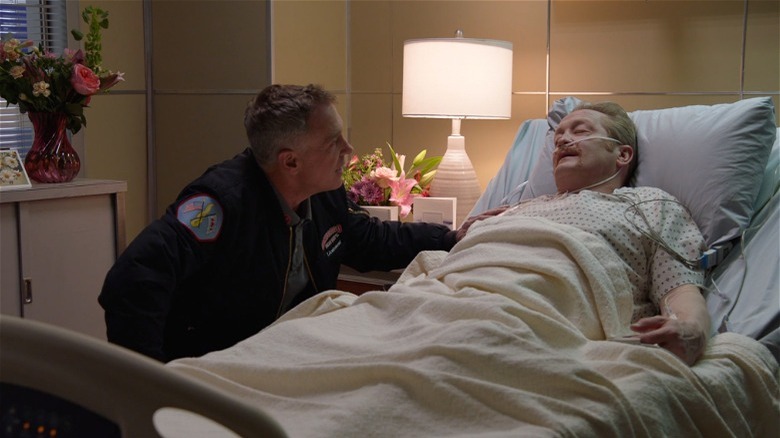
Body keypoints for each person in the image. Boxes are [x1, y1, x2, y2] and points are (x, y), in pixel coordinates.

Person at [99, 84, 457, 362]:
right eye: (333, 142)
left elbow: (366, 239)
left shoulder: (323, 193)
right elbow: (133, 279)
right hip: (220, 365)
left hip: (288, 352)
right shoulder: (219, 202)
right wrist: (150, 383)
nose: (348, 150)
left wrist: (451, 238)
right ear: (290, 162)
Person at [459, 101, 710, 365]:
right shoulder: (516, 208)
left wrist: (691, 329)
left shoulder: (649, 206)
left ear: (622, 155)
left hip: (540, 316)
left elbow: (678, 289)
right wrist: (469, 234)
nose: (562, 140)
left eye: (580, 131)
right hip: (464, 296)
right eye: (558, 137)